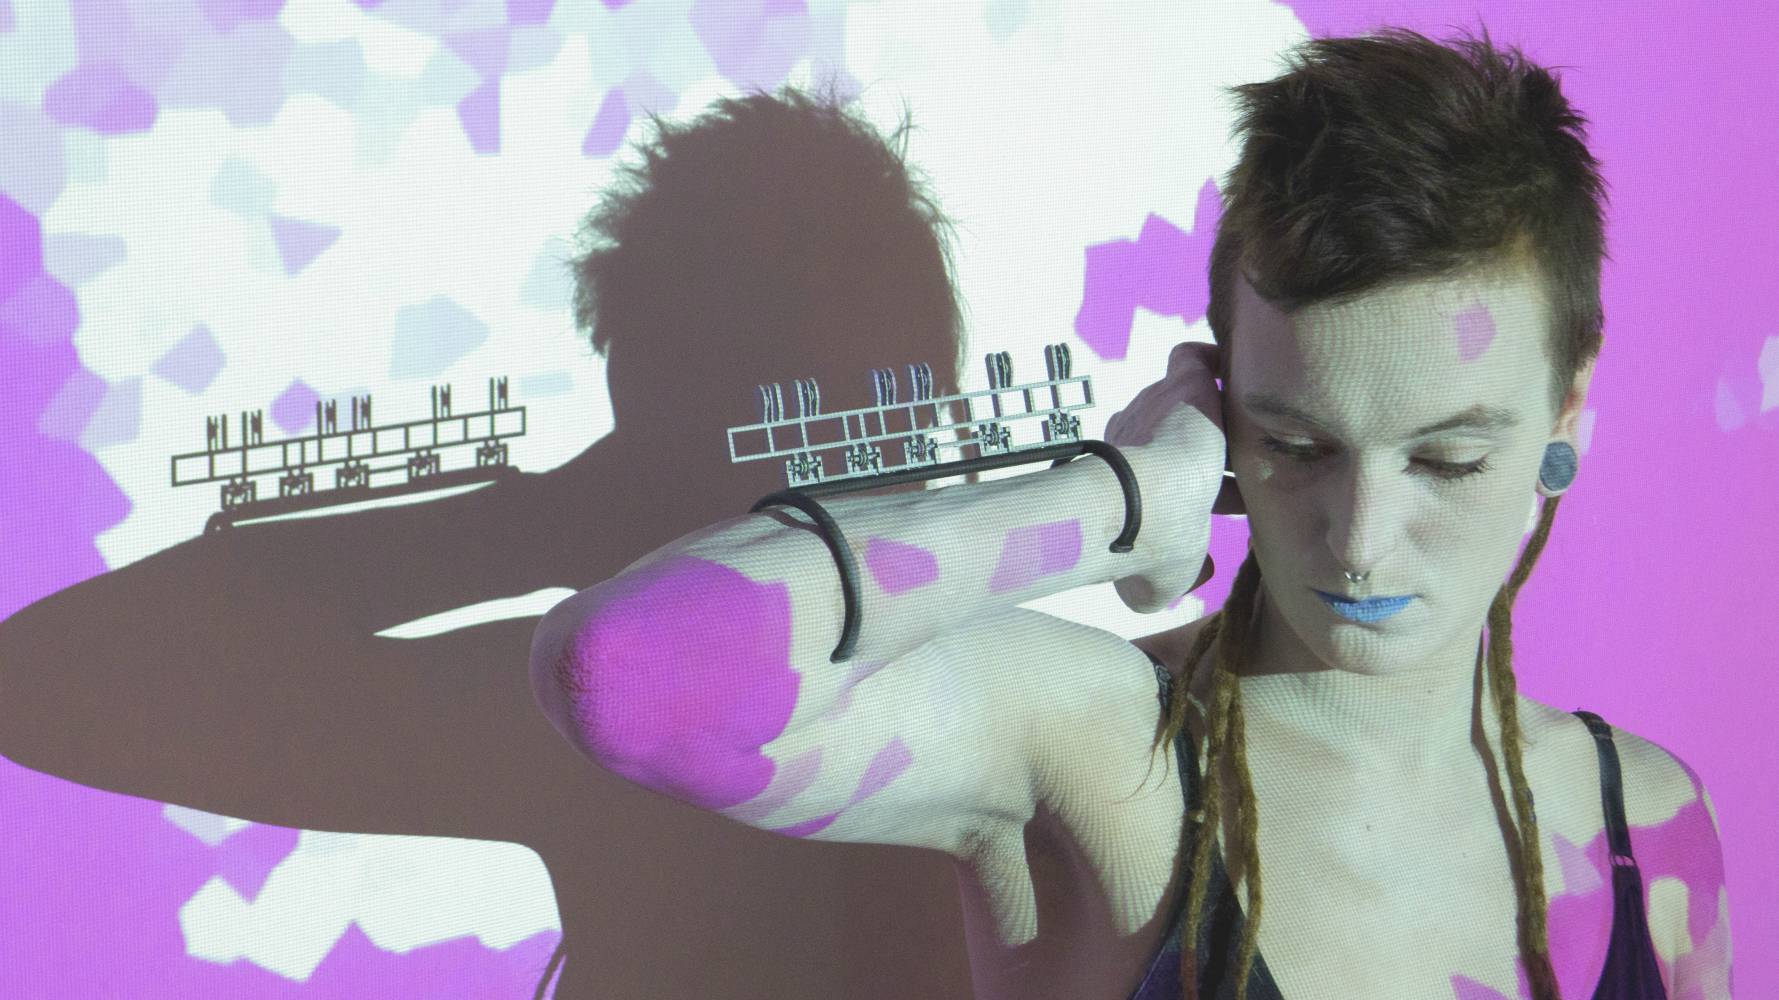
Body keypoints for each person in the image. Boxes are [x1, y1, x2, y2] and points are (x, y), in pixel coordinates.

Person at [529, 27, 1733, 1000]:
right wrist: (1116, 501)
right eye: (1296, 446)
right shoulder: (1100, 748)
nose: (1360, 538)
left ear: (1566, 413)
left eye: (1449, 460)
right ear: (1220, 397)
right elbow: (627, 673)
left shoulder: (1648, 821)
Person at [0, 88, 978, 998]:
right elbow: (37, 679)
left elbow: (49, 676)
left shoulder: (603, 727)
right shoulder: (614, 714)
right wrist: (557, 515)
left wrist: (538, 518)